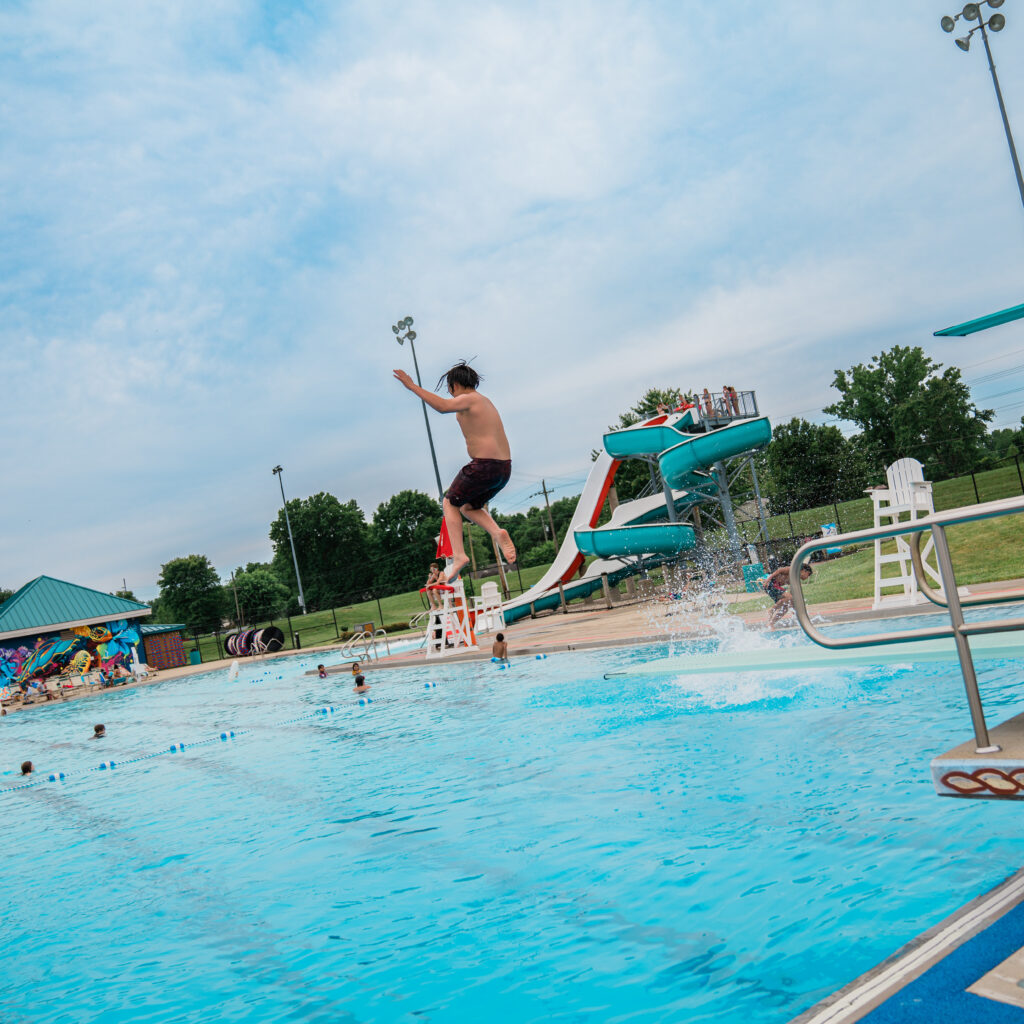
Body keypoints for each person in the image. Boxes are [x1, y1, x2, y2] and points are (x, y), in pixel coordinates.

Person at [394, 361, 516, 582]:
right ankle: (497, 533)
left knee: (449, 503)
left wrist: (412, 386)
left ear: (454, 386)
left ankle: (459, 556)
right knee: (468, 507)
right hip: (503, 469)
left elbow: (442, 407)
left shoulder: (469, 399)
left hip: (484, 466)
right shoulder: (485, 402)